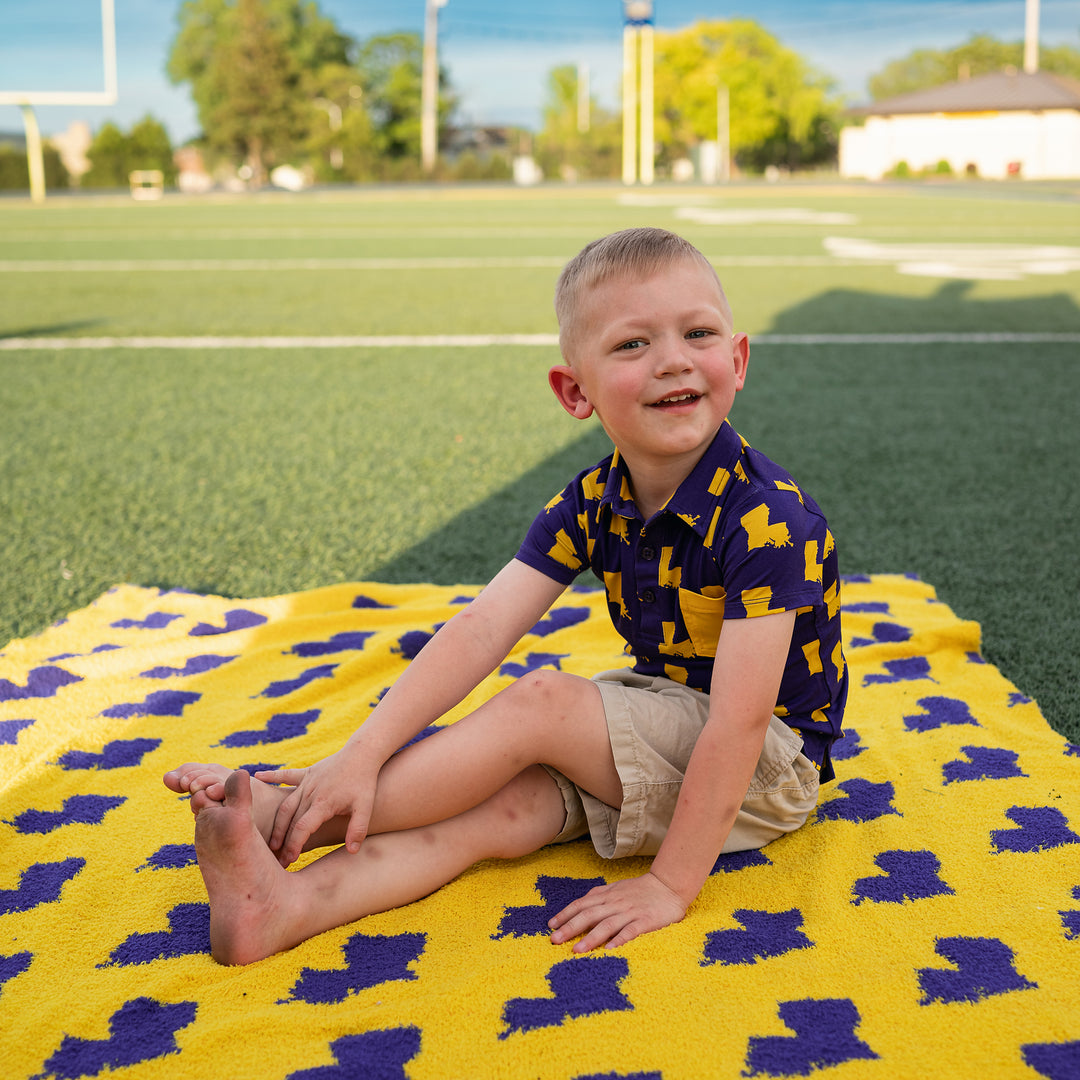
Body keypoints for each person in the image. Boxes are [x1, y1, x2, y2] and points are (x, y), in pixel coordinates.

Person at [164, 227, 847, 967]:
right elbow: (482, 628)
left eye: (698, 333)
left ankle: (282, 815)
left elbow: (740, 724)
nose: (673, 359)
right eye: (632, 344)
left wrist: (669, 885)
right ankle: (283, 910)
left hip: (769, 765)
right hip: (668, 719)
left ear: (737, 359)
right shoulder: (592, 500)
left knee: (544, 704)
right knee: (502, 809)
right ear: (575, 392)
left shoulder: (768, 518)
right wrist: (362, 753)